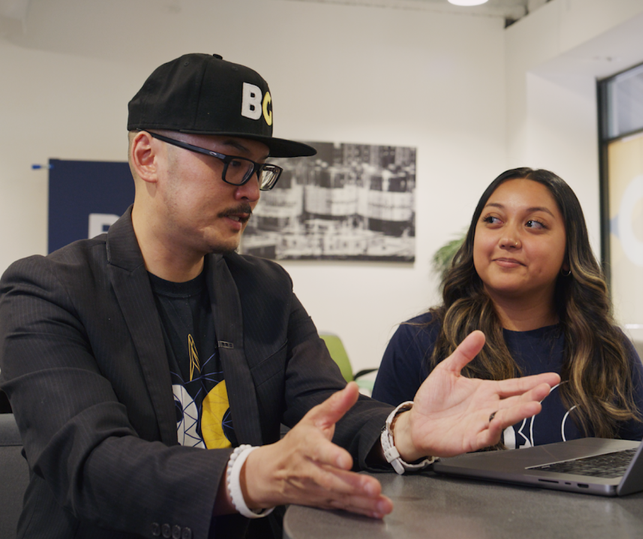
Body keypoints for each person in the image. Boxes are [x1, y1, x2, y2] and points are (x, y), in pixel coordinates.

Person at [0, 54, 560, 539]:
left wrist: (407, 430)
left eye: (258, 169)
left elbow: (327, 408)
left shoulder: (264, 289)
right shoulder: (47, 291)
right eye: (230, 161)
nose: (249, 190)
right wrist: (250, 476)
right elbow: (87, 460)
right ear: (147, 156)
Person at [373, 167, 643, 448]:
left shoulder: (606, 347)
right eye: (493, 220)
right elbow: (378, 463)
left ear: (569, 253)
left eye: (533, 224)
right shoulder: (418, 340)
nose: (508, 239)